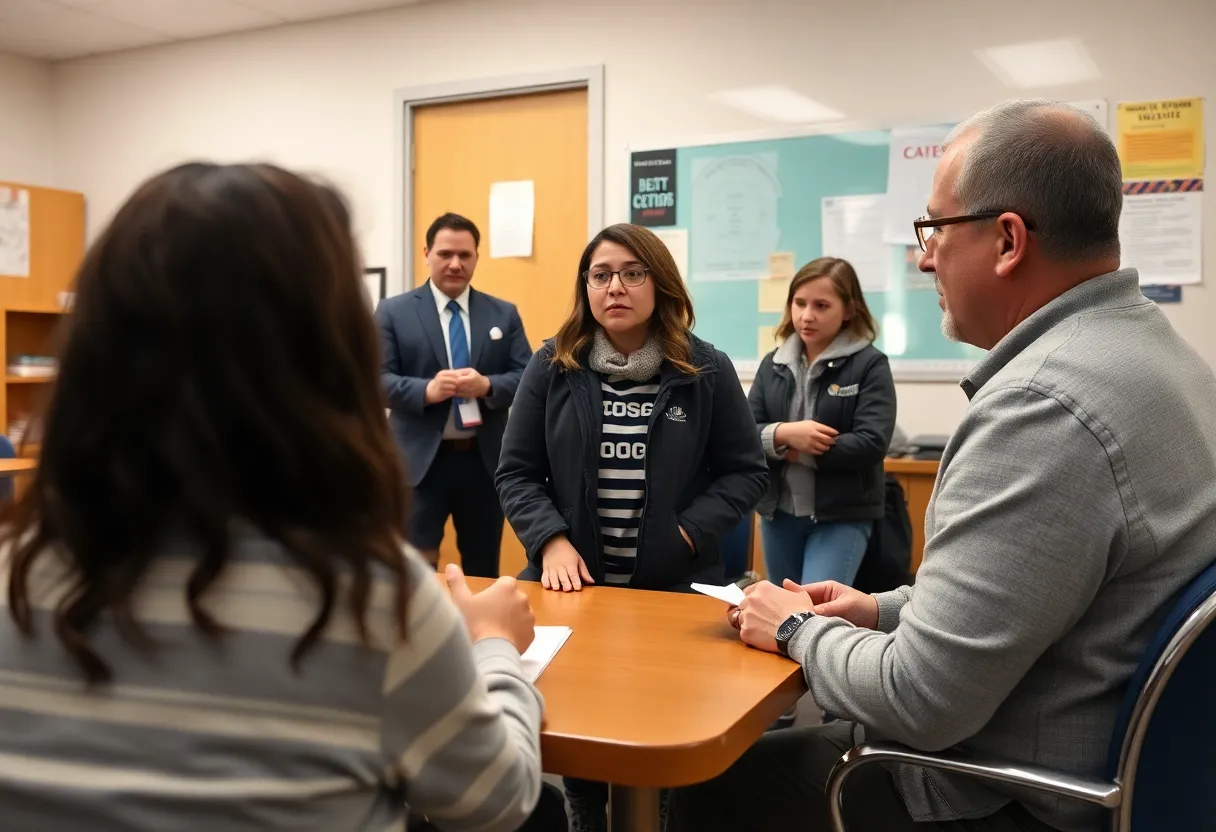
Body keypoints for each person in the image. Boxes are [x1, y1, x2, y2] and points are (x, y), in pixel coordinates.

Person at [667, 99, 1216, 832]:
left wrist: (797, 630)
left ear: (1008, 241)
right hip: (1098, 760)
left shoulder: (1043, 408)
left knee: (705, 785)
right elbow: (1036, 597)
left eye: (934, 229)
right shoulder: (1162, 358)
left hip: (1001, 792)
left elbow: (920, 700)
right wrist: (879, 608)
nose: (922, 257)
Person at [0, 163, 564, 832]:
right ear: (327, 355)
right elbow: (498, 802)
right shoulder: (376, 602)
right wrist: (496, 644)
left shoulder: (16, 574)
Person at [496, 222, 767, 831]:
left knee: (659, 735)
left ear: (658, 282)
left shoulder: (705, 368)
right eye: (600, 274)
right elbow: (515, 472)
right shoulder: (553, 364)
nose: (615, 286)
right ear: (585, 287)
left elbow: (746, 473)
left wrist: (688, 535)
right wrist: (550, 540)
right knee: (580, 729)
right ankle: (585, 816)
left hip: (669, 589)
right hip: (575, 590)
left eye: (632, 272)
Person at [376, 212, 532, 577]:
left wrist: (488, 386)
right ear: (427, 253)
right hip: (418, 466)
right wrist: (425, 391)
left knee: (482, 567)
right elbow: (374, 380)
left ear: (477, 257)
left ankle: (480, 633)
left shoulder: (503, 314)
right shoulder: (393, 312)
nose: (455, 264)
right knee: (415, 568)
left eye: (465, 255)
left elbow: (528, 378)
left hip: (482, 462)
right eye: (445, 254)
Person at [749, 257, 895, 589]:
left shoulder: (870, 365)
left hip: (840, 517)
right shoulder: (773, 364)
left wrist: (799, 452)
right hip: (778, 515)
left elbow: (871, 442)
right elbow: (743, 435)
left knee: (814, 615)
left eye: (821, 305)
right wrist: (786, 433)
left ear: (849, 309)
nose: (806, 315)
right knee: (783, 616)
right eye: (799, 303)